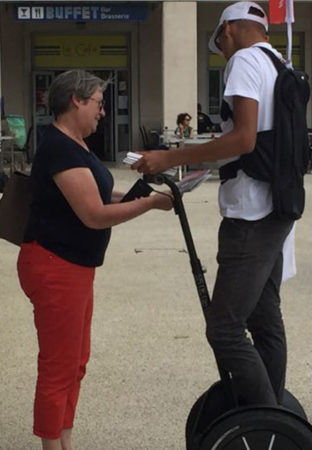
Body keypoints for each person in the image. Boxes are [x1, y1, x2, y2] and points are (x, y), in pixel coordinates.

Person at [132, 1, 296, 406]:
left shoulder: (243, 61)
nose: (221, 48)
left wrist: (170, 157)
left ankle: (264, 420)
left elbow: (244, 138)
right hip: (278, 207)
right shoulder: (280, 64)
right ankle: (275, 418)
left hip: (250, 214)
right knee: (264, 318)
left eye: (220, 39)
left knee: (223, 327)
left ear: (230, 29)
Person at [17, 70, 173, 450]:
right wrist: (149, 204)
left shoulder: (76, 145)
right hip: (55, 266)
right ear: (76, 100)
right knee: (59, 365)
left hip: (75, 266)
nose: (102, 113)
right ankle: (52, 444)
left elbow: (102, 196)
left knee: (76, 361)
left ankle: (63, 437)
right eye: (99, 104)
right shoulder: (58, 147)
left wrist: (143, 194)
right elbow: (93, 214)